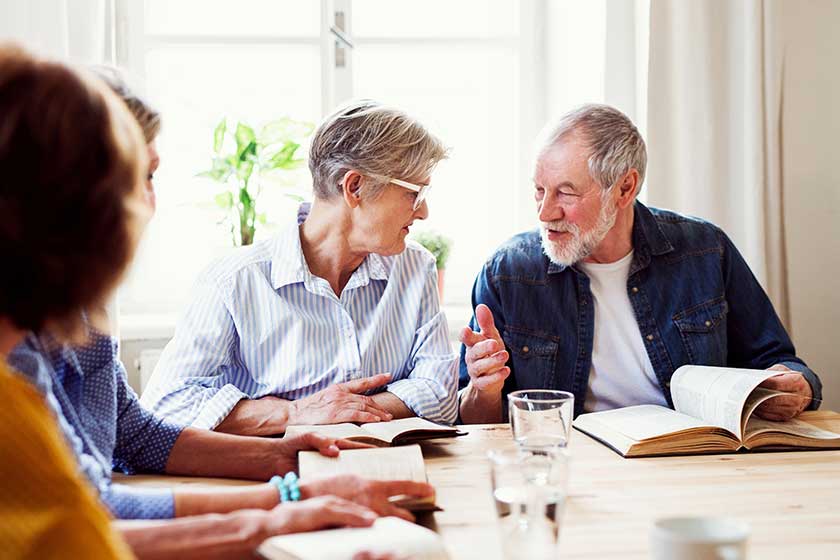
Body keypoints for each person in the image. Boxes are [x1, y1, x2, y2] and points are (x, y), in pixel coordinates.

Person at [0, 45, 426, 559]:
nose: (147, 205)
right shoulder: (13, 373)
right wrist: (279, 508)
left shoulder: (73, 316)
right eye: (142, 177)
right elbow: (88, 515)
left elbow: (131, 435)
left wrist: (280, 459)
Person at [458, 104, 822, 424]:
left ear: (624, 189)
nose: (545, 212)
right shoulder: (507, 273)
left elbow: (778, 361)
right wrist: (484, 390)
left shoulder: (705, 251)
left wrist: (795, 384)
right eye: (539, 190)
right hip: (574, 464)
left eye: (566, 192)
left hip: (694, 459)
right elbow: (474, 423)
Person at [141, 99, 459, 435]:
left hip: (394, 470)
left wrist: (342, 411)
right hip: (275, 477)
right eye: (416, 193)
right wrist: (295, 413)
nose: (424, 212)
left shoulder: (415, 266)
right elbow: (167, 405)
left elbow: (440, 394)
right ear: (355, 187)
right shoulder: (233, 281)